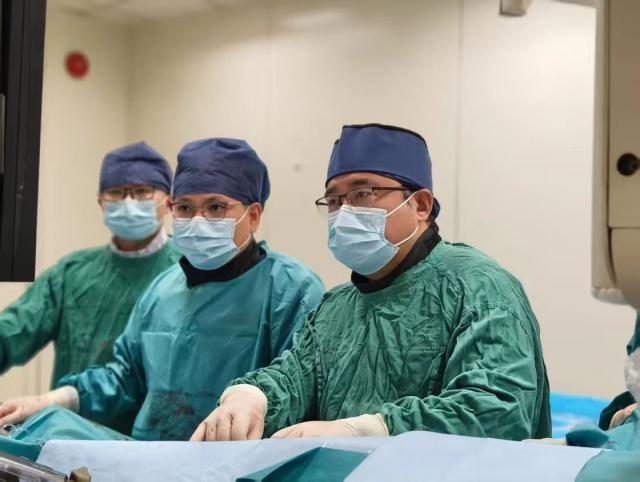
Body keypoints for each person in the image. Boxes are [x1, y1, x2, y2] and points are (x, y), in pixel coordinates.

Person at [192, 123, 551, 442]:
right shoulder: (336, 307)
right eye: (334, 199)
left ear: (421, 205)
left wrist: (375, 430)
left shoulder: (480, 288)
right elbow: (294, 378)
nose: (344, 211)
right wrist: (253, 397)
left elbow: (498, 411)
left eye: (362, 193)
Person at [0, 138, 325, 441]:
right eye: (184, 208)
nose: (197, 220)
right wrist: (57, 399)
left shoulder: (290, 291)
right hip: (150, 461)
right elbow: (127, 376)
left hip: (240, 466)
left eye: (215, 207)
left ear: (252, 216)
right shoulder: (162, 289)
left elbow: (302, 387)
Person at [0, 142, 180, 433]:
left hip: (152, 441)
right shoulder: (72, 273)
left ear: (168, 201)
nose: (129, 201)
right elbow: (13, 330)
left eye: (142, 191)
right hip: (70, 434)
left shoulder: (185, 272)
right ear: (100, 201)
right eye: (117, 192)